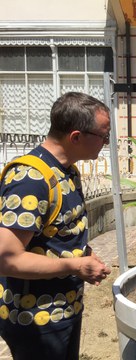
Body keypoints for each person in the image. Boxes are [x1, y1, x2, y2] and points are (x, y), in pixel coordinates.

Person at [0, 92, 112, 360]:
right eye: (103, 136)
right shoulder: (30, 179)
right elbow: (7, 259)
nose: (107, 142)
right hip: (36, 323)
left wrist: (85, 254)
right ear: (76, 137)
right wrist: (75, 266)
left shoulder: (67, 170)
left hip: (64, 310)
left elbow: (61, 233)